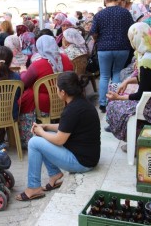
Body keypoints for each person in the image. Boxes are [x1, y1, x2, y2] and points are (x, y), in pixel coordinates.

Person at [15, 71, 101, 201]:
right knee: (42, 138)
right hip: (88, 157)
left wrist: (41, 132)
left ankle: (33, 187)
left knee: (34, 142)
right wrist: (46, 127)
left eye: (56, 88)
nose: (56, 90)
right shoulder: (80, 102)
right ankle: (54, 174)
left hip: (82, 162)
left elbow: (59, 140)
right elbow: (66, 127)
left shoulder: (72, 109)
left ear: (63, 92)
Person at [105, 22, 151, 152]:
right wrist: (127, 81)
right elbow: (150, 79)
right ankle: (139, 134)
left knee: (115, 106)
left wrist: (119, 97)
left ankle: (137, 142)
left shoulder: (148, 60)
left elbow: (141, 94)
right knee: (117, 93)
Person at [18, 35, 74, 147]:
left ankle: (28, 138)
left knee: (27, 95)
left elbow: (24, 83)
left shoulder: (37, 65)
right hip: (63, 100)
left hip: (43, 105)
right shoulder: (66, 60)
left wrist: (23, 71)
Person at [90, 0, 134, 113]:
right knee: (117, 73)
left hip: (104, 48)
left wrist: (98, 39)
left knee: (104, 76)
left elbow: (93, 32)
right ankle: (113, 100)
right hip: (122, 47)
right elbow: (132, 29)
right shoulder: (125, 13)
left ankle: (103, 103)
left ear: (105, 0)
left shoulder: (99, 15)